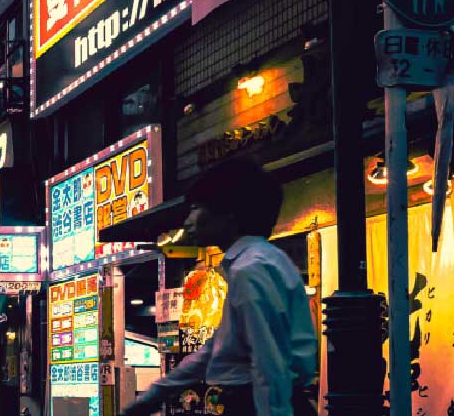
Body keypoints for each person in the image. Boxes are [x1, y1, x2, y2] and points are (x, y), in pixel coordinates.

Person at [121, 159, 317, 416]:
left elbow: (268, 361)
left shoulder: (250, 269)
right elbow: (216, 349)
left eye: (196, 208)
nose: (188, 220)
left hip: (254, 404)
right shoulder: (267, 260)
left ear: (229, 213)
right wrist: (157, 394)